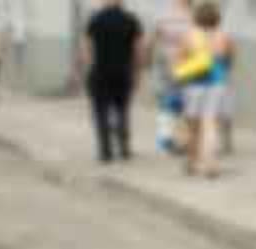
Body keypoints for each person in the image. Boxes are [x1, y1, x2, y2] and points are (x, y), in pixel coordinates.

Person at [80, 0, 143, 163]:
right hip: (123, 72)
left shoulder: (95, 19)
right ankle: (124, 148)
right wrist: (137, 72)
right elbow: (138, 50)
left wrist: (87, 69)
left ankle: (105, 150)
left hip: (100, 71)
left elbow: (87, 48)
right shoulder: (131, 20)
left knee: (100, 111)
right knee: (122, 110)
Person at [177, 1, 233, 178]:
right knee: (210, 125)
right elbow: (229, 61)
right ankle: (211, 164)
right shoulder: (224, 37)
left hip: (194, 85)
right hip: (217, 84)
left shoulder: (189, 36)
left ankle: (192, 161)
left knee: (193, 125)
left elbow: (180, 61)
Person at [143, 0, 192, 154]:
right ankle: (180, 140)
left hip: (168, 64)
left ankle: (167, 140)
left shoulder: (162, 15)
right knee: (183, 104)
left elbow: (150, 41)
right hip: (187, 64)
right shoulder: (194, 16)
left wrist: (147, 61)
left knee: (167, 103)